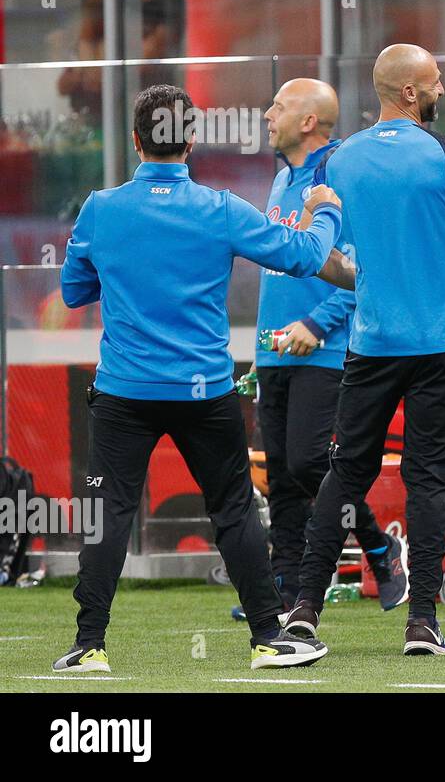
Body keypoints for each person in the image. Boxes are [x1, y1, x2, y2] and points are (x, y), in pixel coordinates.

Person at [57, 84, 341, 673]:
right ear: (189, 139)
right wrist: (328, 213)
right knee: (234, 510)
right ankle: (269, 638)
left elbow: (74, 292)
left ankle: (89, 648)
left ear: (136, 141)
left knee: (108, 512)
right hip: (204, 390)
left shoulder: (100, 208)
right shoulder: (221, 208)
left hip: (123, 392)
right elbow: (305, 256)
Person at [283, 44, 445, 657]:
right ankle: (423, 624)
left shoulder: (336, 160)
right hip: (441, 345)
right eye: (435, 83)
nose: (442, 90)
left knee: (345, 473)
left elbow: (317, 255)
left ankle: (303, 612)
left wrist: (371, 278)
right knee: (428, 479)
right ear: (410, 93)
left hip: (372, 344)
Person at [246, 78, 407, 620]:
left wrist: (317, 323)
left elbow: (367, 271)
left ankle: (380, 549)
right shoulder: (278, 181)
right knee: (283, 472)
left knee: (313, 461)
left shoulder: (342, 176)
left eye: (279, 107)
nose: (268, 114)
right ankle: (284, 590)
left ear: (309, 121)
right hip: (274, 351)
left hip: (326, 347)